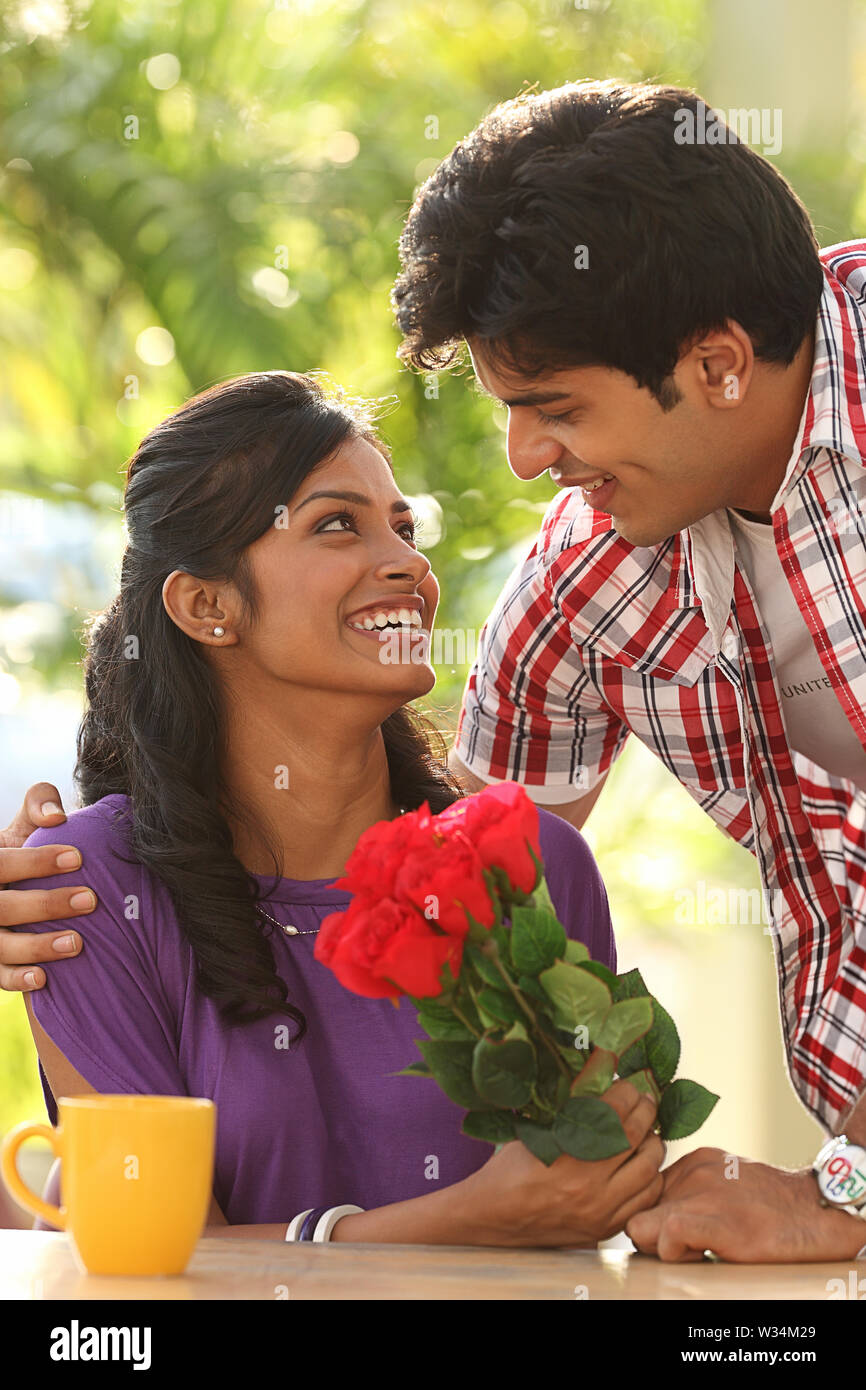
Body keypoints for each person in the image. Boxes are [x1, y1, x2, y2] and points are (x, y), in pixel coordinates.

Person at [0, 369, 663, 1247]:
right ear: (208, 606)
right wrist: (463, 1222)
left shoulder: (532, 866)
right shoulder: (87, 893)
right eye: (336, 525)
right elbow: (154, 1256)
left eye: (403, 527)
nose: (408, 564)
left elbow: (590, 1199)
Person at [388, 76, 866, 1262]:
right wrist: (97, 881)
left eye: (552, 409)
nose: (520, 458)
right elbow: (446, 883)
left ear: (715, 364)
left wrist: (839, 1195)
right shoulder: (584, 584)